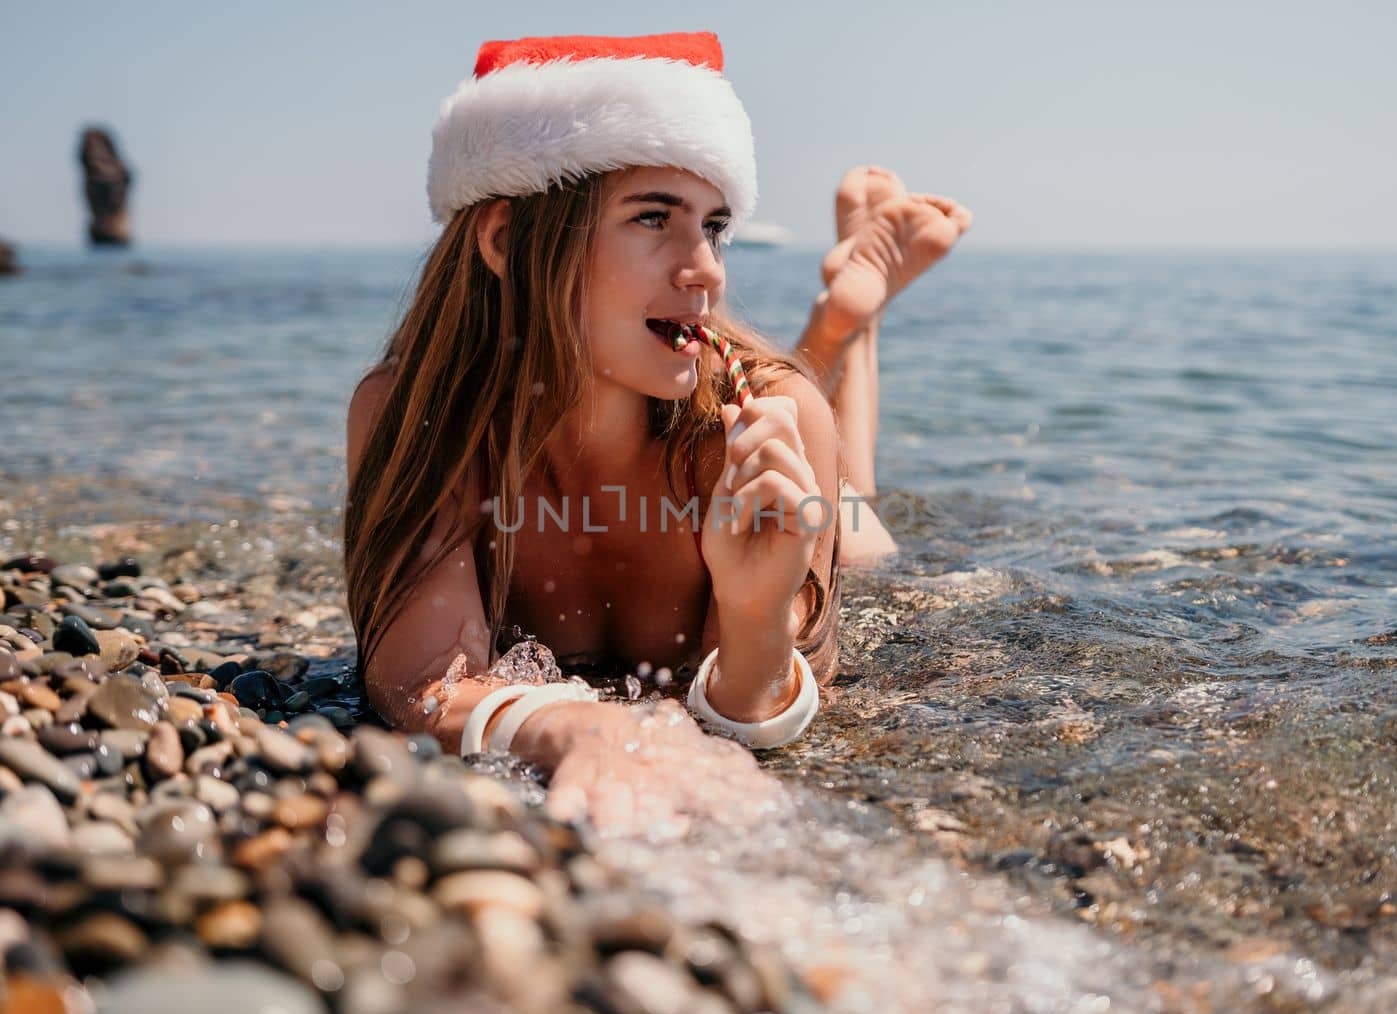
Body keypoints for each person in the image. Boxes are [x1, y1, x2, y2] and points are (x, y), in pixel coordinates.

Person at [344, 32, 970, 834]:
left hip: (777, 415)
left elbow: (769, 708)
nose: (706, 269)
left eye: (712, 227)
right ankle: (846, 326)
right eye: (652, 218)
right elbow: (418, 681)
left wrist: (756, 619)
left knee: (863, 527)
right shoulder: (419, 413)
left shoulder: (753, 415)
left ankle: (851, 327)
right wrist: (576, 726)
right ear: (504, 240)